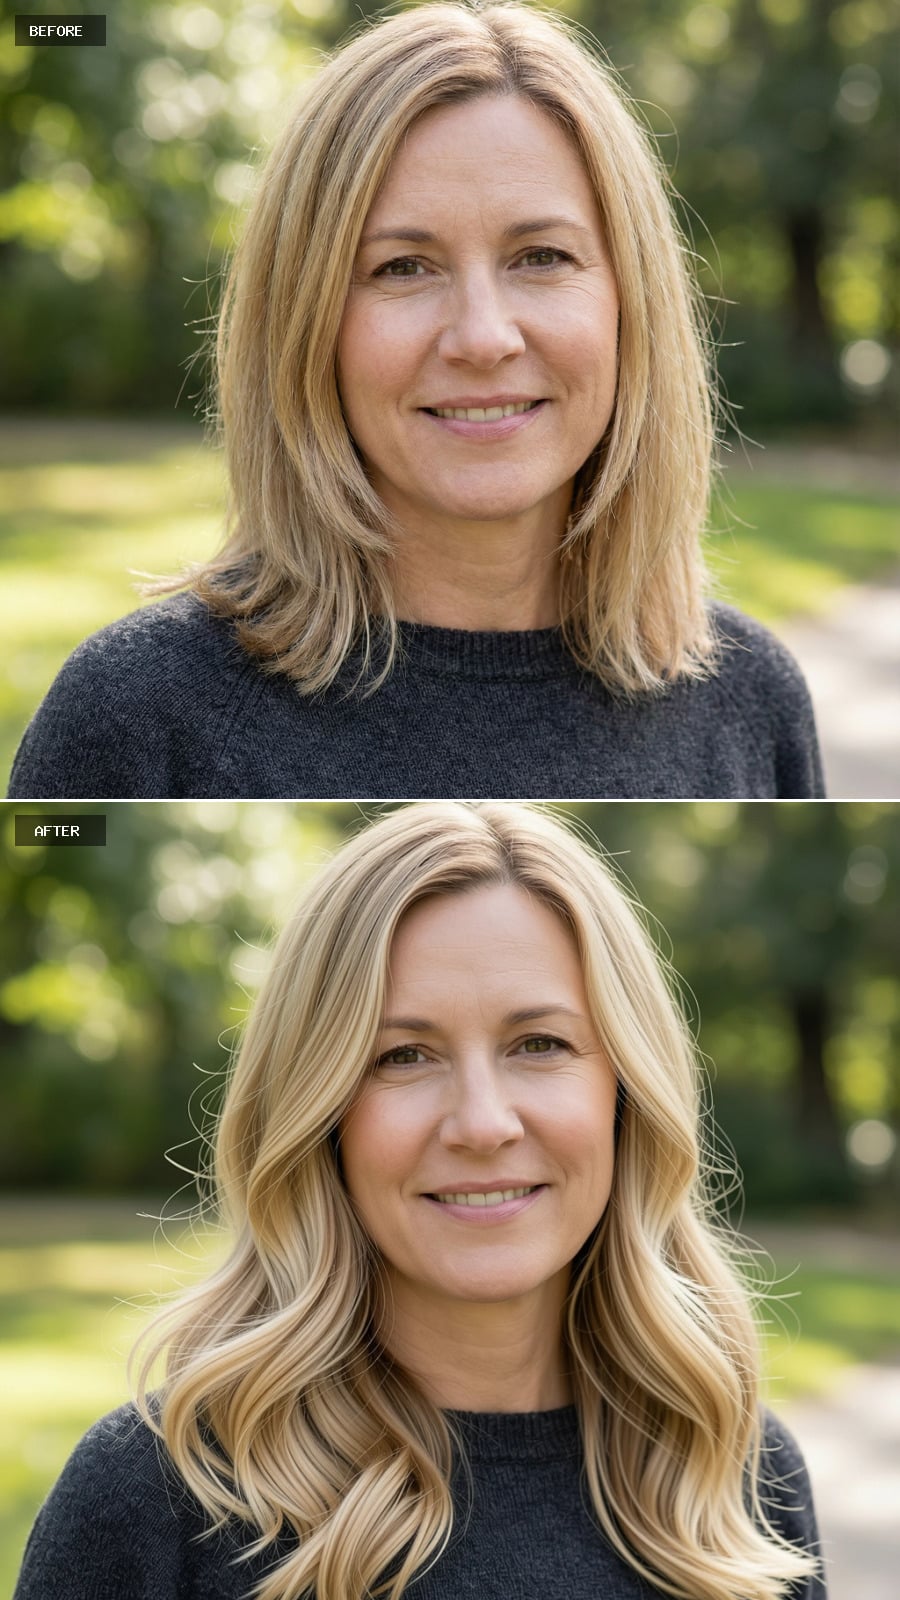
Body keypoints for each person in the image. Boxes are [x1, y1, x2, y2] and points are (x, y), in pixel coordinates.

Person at [8, 2, 822, 800]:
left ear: (629, 302)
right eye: (402, 267)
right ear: (304, 323)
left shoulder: (751, 703)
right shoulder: (139, 718)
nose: (482, 336)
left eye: (540, 256)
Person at [15, 801, 826, 1600]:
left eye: (538, 1044)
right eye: (403, 1055)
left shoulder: (738, 1482)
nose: (482, 1123)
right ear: (321, 1111)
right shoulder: (156, 1500)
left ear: (627, 1091)